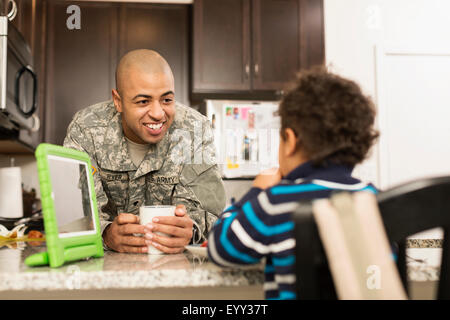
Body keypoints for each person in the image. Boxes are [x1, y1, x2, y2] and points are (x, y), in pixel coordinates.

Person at [207, 68, 379, 300]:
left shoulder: (277, 201)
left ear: (290, 141)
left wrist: (257, 191)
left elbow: (220, 249)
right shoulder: (376, 200)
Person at [64, 49, 225, 254]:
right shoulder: (86, 129)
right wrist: (106, 234)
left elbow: (212, 215)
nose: (158, 114)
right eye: (143, 101)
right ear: (118, 101)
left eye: (166, 100)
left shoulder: (194, 130)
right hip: (106, 267)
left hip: (176, 268)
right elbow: (74, 213)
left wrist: (191, 230)